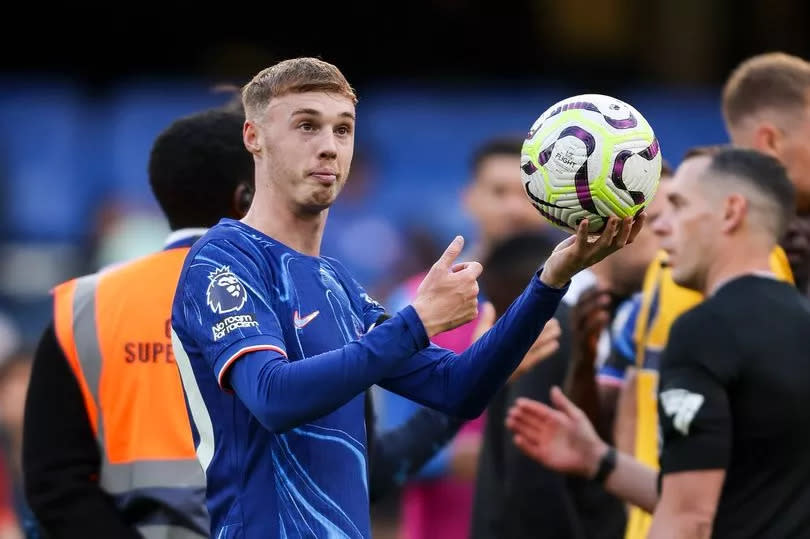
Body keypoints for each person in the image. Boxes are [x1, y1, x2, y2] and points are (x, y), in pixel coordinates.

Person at [169, 56, 643, 538]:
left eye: (343, 129)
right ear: (254, 137)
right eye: (307, 126)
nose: (330, 148)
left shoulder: (336, 282)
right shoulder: (223, 258)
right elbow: (272, 397)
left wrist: (550, 280)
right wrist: (417, 323)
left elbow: (458, 388)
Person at [508, 147, 810, 538]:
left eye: (680, 206)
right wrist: (599, 459)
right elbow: (723, 496)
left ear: (731, 213)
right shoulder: (800, 322)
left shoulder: (704, 329)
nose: (663, 226)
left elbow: (688, 518)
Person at [378, 135, 553, 539]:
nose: (514, 208)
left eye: (527, 194)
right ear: (469, 198)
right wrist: (457, 457)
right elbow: (387, 446)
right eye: (499, 192)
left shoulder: (579, 296)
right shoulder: (418, 299)